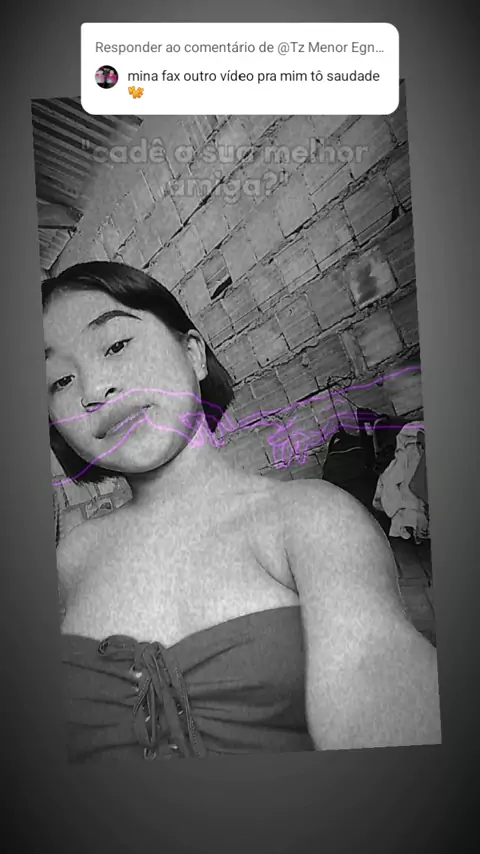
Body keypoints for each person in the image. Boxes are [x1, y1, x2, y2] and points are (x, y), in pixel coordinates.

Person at [43, 261, 441, 762]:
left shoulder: (310, 518)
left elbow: (372, 667)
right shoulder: (71, 559)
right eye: (60, 380)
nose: (93, 390)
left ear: (193, 354)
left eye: (117, 345)